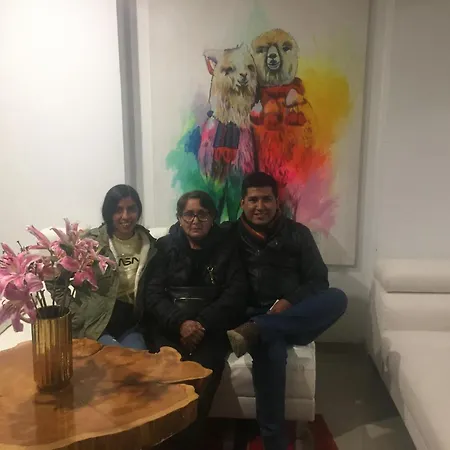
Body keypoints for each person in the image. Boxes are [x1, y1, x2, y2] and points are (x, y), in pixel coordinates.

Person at [226, 172, 348, 450]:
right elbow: (190, 235)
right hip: (248, 314)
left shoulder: (297, 233)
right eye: (253, 200)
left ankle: (260, 328)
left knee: (337, 298)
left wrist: (289, 301)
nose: (260, 206)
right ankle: (274, 443)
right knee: (271, 353)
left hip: (290, 315)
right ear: (242, 202)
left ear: (277, 202)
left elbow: (318, 281)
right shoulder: (228, 234)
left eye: (266, 199)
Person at [144, 190, 247, 450]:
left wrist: (200, 323)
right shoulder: (164, 247)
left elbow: (235, 293)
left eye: (203, 214)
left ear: (213, 217)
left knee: (202, 380)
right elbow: (153, 294)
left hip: (210, 330)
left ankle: (188, 442)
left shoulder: (228, 248)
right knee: (166, 380)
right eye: (189, 214)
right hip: (170, 328)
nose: (195, 220)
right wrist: (181, 323)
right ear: (179, 218)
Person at [62, 184, 156, 349]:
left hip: (132, 323)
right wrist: (75, 311)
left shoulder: (150, 245)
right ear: (109, 212)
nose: (125, 216)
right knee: (112, 359)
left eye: (131, 209)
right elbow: (56, 280)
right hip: (96, 324)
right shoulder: (90, 243)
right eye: (118, 210)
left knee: (136, 360)